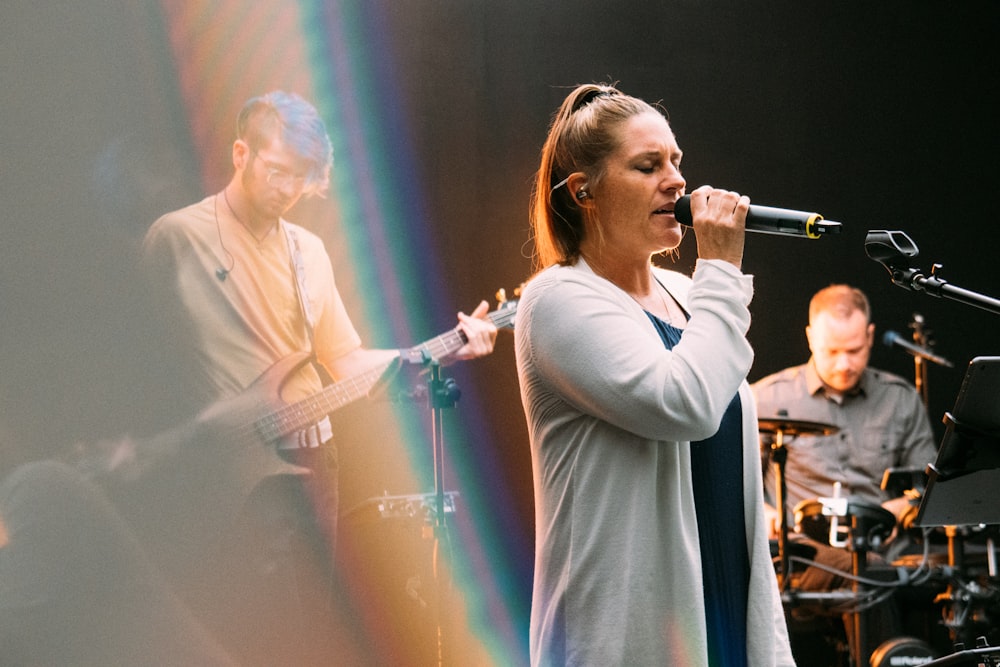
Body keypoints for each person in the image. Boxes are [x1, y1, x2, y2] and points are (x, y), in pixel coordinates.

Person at [139, 90, 498, 663]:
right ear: (240, 154)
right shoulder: (176, 238)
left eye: (299, 179)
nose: (286, 191)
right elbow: (144, 364)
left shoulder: (307, 251)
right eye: (277, 172)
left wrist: (442, 351)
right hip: (218, 471)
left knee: (304, 633)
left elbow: (344, 359)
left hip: (309, 467)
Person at [514, 83, 794, 666]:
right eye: (648, 166)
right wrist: (720, 264)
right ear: (583, 191)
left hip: (723, 606)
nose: (676, 181)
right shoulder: (556, 301)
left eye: (676, 163)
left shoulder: (691, 296)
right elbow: (685, 406)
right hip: (627, 632)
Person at [751, 284, 938, 660]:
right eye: (831, 351)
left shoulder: (899, 399)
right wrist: (764, 511)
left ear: (870, 335)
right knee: (870, 575)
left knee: (957, 575)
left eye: (854, 351)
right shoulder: (766, 398)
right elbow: (731, 485)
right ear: (809, 338)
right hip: (803, 554)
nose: (843, 364)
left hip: (886, 547)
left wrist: (901, 509)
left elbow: (929, 488)